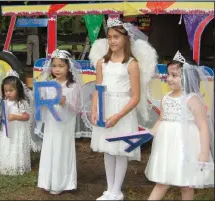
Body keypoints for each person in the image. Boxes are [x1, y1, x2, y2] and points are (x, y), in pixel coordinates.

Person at [88, 17, 157, 200]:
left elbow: (135, 97)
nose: (112, 41)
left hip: (122, 110)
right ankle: (109, 188)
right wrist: (94, 110)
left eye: (116, 37)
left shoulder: (131, 64)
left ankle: (117, 190)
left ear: (126, 39)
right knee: (107, 149)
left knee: (120, 150)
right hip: (105, 107)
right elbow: (98, 88)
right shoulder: (102, 62)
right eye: (109, 37)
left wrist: (118, 116)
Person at [145, 51, 214, 200]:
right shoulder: (166, 98)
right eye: (168, 75)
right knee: (162, 182)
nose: (169, 79)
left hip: (187, 147)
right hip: (167, 147)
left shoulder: (193, 99)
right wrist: (151, 132)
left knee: (186, 184)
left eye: (174, 75)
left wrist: (203, 152)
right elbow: (162, 119)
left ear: (187, 76)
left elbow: (203, 127)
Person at [36, 49, 86, 195]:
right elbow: (43, 104)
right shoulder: (48, 84)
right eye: (54, 66)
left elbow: (76, 108)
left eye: (61, 66)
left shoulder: (73, 86)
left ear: (68, 67)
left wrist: (65, 103)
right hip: (52, 123)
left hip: (65, 124)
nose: (57, 69)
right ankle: (47, 180)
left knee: (62, 150)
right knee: (50, 148)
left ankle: (62, 182)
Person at [0, 70, 34, 175]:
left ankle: (17, 165)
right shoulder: (4, 102)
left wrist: (15, 116)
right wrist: (0, 118)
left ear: (18, 90)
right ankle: (7, 164)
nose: (8, 93)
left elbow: (26, 116)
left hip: (18, 130)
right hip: (8, 130)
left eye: (11, 90)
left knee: (16, 146)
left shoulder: (21, 103)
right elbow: (4, 115)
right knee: (8, 145)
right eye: (6, 91)